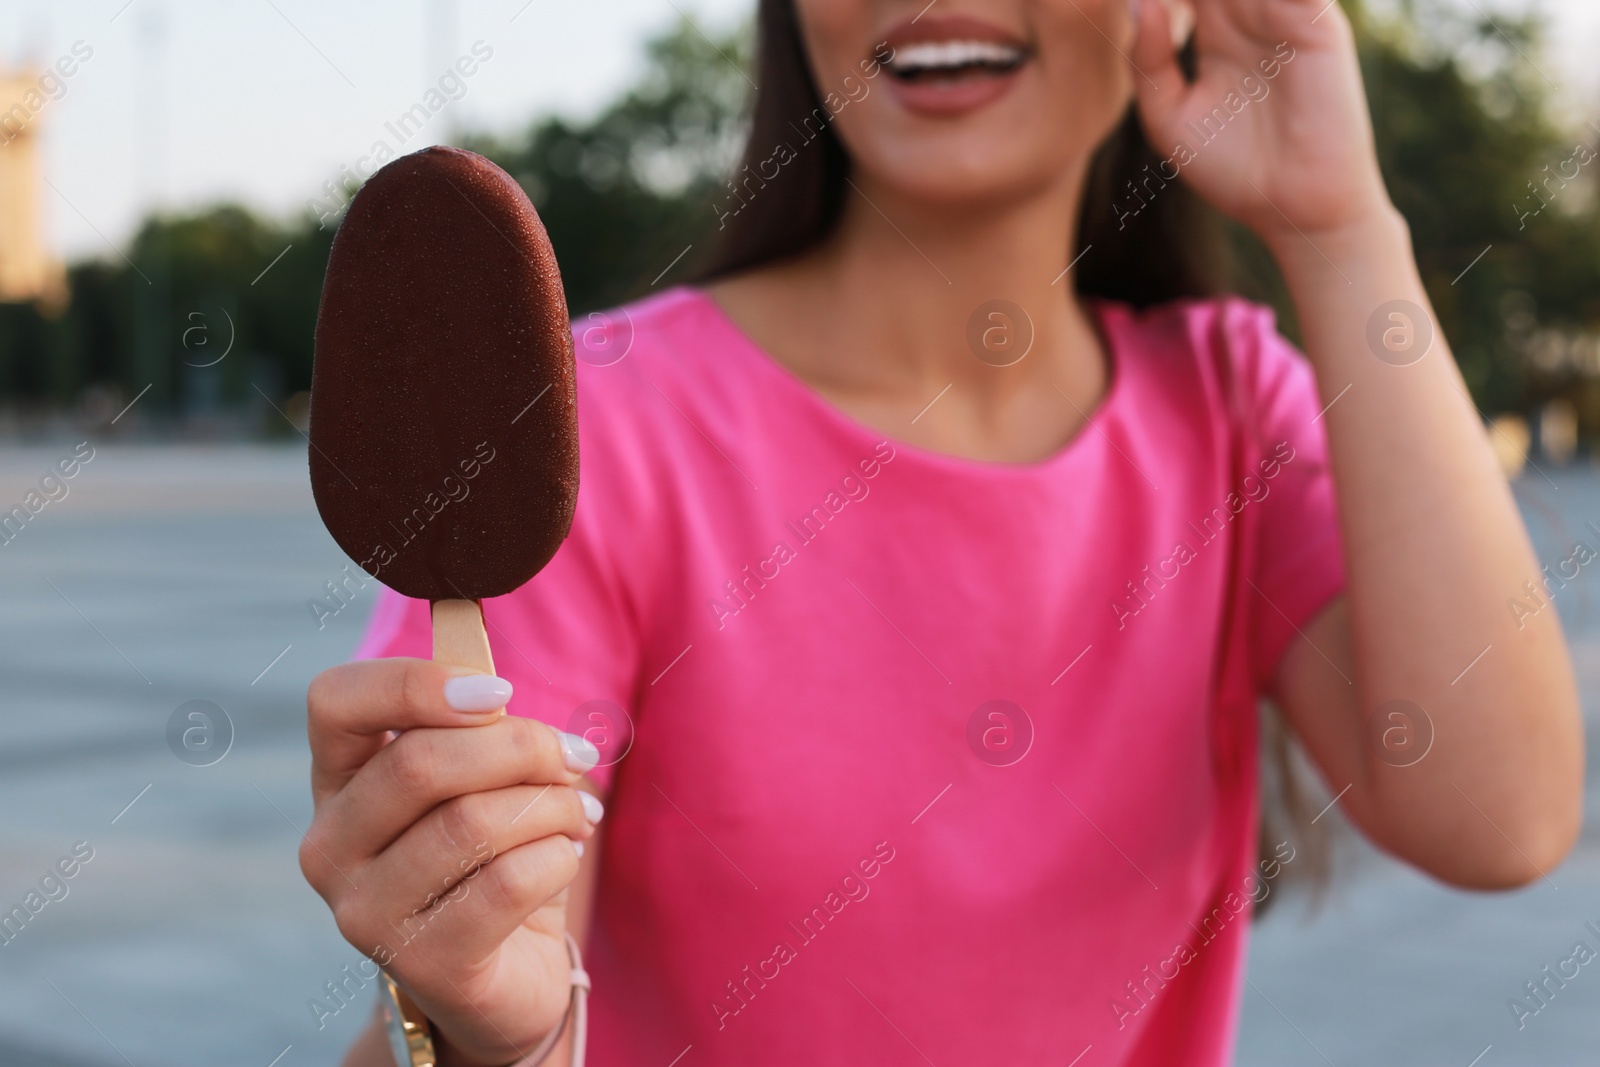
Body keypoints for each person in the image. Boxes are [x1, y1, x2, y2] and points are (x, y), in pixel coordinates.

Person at [299, 0, 1585, 1063]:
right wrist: (489, 1034)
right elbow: (472, 992)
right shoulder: (599, 431)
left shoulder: (1231, 403)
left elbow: (1500, 814)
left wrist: (1340, 225)